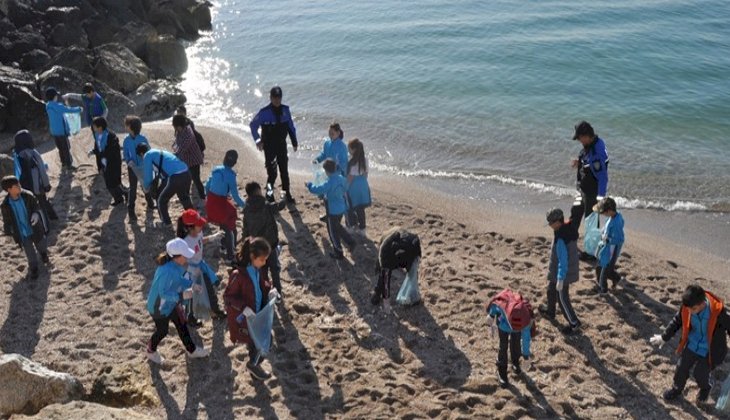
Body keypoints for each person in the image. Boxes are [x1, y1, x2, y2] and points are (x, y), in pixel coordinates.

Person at [650, 285, 730, 404]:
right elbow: (677, 321)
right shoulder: (688, 307)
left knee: (700, 374)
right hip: (692, 344)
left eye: (693, 309)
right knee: (681, 368)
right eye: (687, 309)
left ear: (703, 304)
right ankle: (676, 389)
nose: (689, 312)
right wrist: (664, 337)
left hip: (710, 350)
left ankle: (705, 388)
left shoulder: (718, 313)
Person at [145, 238, 210, 364]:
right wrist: (181, 296)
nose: (187, 258)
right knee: (162, 331)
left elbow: (179, 280)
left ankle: (192, 350)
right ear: (176, 256)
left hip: (171, 304)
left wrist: (191, 285)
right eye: (185, 255)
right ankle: (150, 350)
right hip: (159, 308)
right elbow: (162, 293)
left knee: (182, 324)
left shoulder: (176, 265)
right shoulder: (166, 271)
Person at [223, 237, 279, 380]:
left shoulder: (256, 269)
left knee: (262, 342)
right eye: (262, 259)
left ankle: (254, 370)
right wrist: (243, 308)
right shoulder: (238, 275)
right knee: (260, 342)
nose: (264, 262)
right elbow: (228, 297)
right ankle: (253, 365)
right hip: (247, 319)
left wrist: (271, 290)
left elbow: (262, 285)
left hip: (258, 312)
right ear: (253, 257)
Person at [176, 209, 227, 327]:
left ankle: (215, 310)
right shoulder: (184, 242)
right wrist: (191, 270)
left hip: (201, 267)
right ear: (189, 228)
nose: (201, 227)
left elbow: (200, 241)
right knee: (192, 296)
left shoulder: (198, 233)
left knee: (209, 288)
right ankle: (190, 317)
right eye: (198, 225)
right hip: (190, 271)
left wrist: (213, 237)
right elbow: (181, 262)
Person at [249, 86, 298, 203]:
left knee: (284, 172)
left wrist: (294, 142)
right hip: (269, 147)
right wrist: (257, 140)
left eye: (279, 98)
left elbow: (291, 128)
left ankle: (286, 194)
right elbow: (253, 125)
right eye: (274, 98)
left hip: (281, 145)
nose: (277, 100)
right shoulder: (264, 112)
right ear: (270, 98)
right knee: (272, 174)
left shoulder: (286, 110)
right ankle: (269, 195)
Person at [538, 208, 581, 334]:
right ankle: (551, 312)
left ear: (558, 222)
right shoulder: (565, 229)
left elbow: (563, 261)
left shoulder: (562, 238)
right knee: (550, 290)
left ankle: (574, 323)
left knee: (562, 298)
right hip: (556, 271)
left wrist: (561, 279)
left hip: (563, 273)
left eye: (551, 222)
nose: (550, 225)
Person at [570, 121, 609, 252]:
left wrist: (600, 198)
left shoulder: (597, 152)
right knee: (575, 212)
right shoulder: (591, 144)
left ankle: (591, 252)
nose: (579, 141)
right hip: (582, 189)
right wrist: (579, 162)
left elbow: (603, 176)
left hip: (592, 192)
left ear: (586, 135)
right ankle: (569, 241)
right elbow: (585, 158)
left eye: (580, 138)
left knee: (591, 221)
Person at [243, 181, 287, 297]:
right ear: (258, 191)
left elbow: (245, 229)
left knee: (262, 271)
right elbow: (280, 205)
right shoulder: (266, 205)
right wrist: (283, 195)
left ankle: (266, 290)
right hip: (270, 244)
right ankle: (277, 292)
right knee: (274, 268)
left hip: (257, 245)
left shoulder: (246, 209)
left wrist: (247, 243)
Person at [1, 176, 49, 280]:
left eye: (19, 184)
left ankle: (43, 254)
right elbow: (7, 221)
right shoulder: (5, 205)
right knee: (29, 251)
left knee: (40, 243)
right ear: (9, 190)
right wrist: (8, 232)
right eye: (16, 185)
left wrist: (36, 214)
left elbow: (36, 205)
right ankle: (34, 267)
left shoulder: (28, 195)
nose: (19, 186)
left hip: (34, 227)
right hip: (22, 232)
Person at [306, 159, 355, 259]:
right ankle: (351, 242)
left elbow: (317, 189)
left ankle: (338, 252)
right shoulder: (341, 178)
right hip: (341, 208)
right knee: (338, 227)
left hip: (332, 211)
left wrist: (309, 185)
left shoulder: (329, 183)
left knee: (333, 232)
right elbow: (346, 187)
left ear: (327, 171)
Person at [486, 289, 534, 388]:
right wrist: (490, 317)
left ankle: (515, 361)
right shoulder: (503, 307)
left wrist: (526, 355)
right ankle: (501, 371)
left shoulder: (525, 321)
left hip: (513, 327)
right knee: (503, 347)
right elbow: (495, 305)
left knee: (516, 343)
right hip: (503, 326)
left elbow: (526, 339)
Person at [205, 150, 246, 264]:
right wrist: (246, 206)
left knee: (224, 222)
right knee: (230, 228)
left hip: (211, 202)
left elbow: (207, 187)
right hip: (220, 204)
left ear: (224, 158)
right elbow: (236, 197)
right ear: (234, 163)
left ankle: (223, 245)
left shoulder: (215, 170)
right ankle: (230, 256)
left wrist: (209, 199)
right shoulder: (231, 176)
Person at [138, 144, 194, 227]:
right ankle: (194, 219)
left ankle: (166, 222)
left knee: (161, 199)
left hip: (175, 177)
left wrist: (145, 187)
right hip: (186, 172)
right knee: (184, 198)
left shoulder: (147, 155)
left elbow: (148, 177)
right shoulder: (159, 152)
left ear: (141, 154)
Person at [13, 130, 57, 221]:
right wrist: (46, 185)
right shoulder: (33, 153)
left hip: (25, 186)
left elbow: (17, 173)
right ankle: (52, 217)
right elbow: (42, 170)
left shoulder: (16, 156)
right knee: (43, 201)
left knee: (32, 205)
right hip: (37, 186)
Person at [371, 228, 421, 308]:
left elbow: (417, 256)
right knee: (384, 273)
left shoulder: (413, 243)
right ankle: (377, 293)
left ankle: (412, 294)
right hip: (389, 240)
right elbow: (385, 277)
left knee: (413, 272)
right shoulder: (386, 250)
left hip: (407, 245)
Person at [122, 116, 155, 221]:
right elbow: (125, 153)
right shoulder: (126, 140)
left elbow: (148, 152)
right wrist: (128, 161)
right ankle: (131, 210)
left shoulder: (143, 139)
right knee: (133, 188)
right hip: (132, 168)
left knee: (145, 185)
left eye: (127, 124)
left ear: (131, 127)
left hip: (143, 167)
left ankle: (150, 203)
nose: (125, 126)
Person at [44, 87, 82, 171]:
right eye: (56, 96)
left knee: (60, 148)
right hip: (62, 131)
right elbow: (69, 110)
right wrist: (79, 109)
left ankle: (63, 163)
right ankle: (69, 165)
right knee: (66, 148)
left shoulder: (47, 106)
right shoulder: (58, 106)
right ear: (54, 97)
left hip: (54, 132)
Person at [593, 197, 625, 293]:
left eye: (602, 212)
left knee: (605, 268)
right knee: (600, 266)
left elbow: (619, 238)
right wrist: (602, 233)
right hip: (606, 246)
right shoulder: (612, 217)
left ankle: (603, 289)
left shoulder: (616, 222)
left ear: (609, 211)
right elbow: (607, 227)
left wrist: (608, 238)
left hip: (612, 247)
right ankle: (616, 278)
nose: (602, 214)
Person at [91, 117, 125, 206]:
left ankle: (123, 195)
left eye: (94, 126)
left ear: (100, 127)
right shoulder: (97, 135)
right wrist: (95, 153)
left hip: (113, 164)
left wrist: (100, 153)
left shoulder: (111, 136)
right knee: (109, 184)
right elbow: (98, 149)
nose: (93, 128)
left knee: (114, 183)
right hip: (104, 164)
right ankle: (120, 198)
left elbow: (111, 152)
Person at [171, 114, 205, 203]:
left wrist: (173, 157)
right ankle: (186, 197)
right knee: (187, 179)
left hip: (194, 160)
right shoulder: (180, 131)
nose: (175, 129)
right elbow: (176, 143)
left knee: (196, 179)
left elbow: (182, 149)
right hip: (186, 160)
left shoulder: (188, 134)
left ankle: (203, 197)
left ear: (180, 126)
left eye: (176, 126)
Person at [345, 138, 371, 233]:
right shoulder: (365, 160)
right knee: (361, 209)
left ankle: (351, 226)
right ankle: (362, 229)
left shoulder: (351, 162)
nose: (348, 150)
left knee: (350, 207)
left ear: (353, 150)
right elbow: (366, 174)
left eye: (349, 148)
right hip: (363, 185)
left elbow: (350, 177)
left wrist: (345, 187)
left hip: (353, 186)